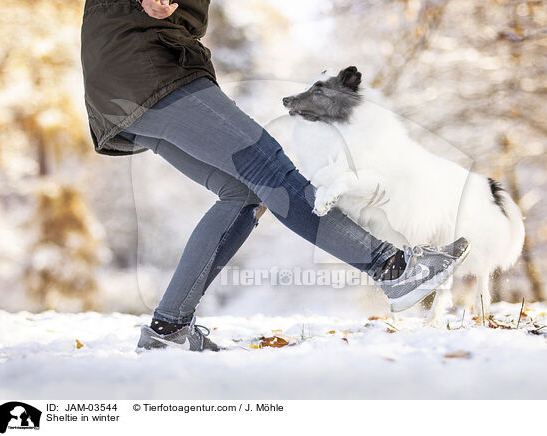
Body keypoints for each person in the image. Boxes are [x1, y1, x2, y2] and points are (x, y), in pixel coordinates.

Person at [80, 0, 470, 352]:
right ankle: (394, 269)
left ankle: (169, 329)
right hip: (149, 70)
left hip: (125, 81)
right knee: (268, 168)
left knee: (243, 193)